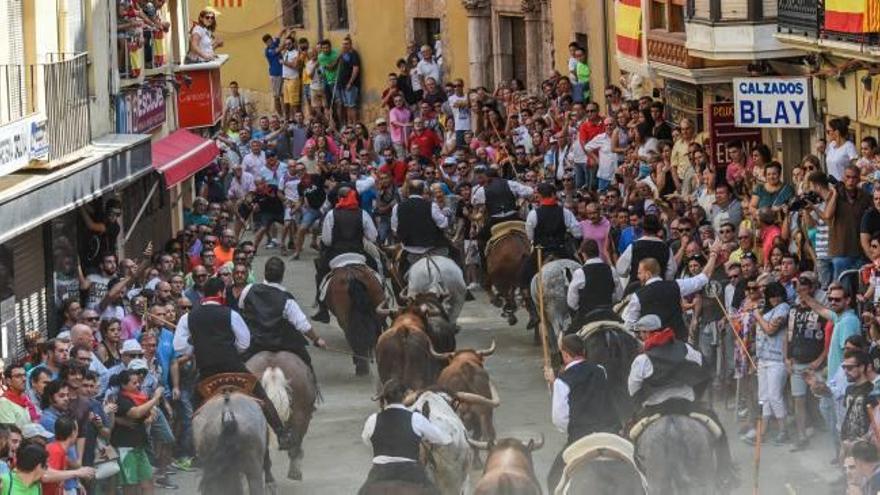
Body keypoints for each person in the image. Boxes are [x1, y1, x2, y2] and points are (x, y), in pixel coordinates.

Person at [172, 277, 296, 450]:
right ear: (221, 292)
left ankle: (193, 448)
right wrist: (229, 348)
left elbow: (180, 348)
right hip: (233, 367)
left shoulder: (187, 318)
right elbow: (244, 343)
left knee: (194, 406)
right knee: (262, 396)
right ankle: (281, 433)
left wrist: (196, 346)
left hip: (206, 372)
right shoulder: (230, 313)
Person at [627, 314, 735, 486]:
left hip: (654, 409)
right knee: (718, 430)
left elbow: (633, 390)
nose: (640, 338)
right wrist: (695, 394)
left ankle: (633, 483)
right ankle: (725, 474)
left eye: (640, 334)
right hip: (686, 405)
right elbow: (703, 369)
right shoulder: (686, 349)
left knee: (629, 439)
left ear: (647, 333)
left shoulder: (642, 360)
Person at [545, 334, 619, 490]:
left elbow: (560, 419)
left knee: (553, 478)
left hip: (580, 437)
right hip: (610, 433)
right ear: (584, 351)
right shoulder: (600, 370)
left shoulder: (562, 381)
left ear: (565, 354)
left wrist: (554, 383)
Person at [359, 378, 451, 495]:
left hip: (379, 472)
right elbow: (442, 439)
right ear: (405, 396)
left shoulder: (373, 419)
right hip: (410, 471)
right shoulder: (416, 418)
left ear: (385, 398)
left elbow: (367, 441)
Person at [239, 256, 327, 369]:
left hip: (255, 344)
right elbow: (303, 325)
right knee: (307, 365)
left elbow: (241, 308)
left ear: (265, 272)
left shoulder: (248, 290)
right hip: (282, 345)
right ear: (282, 276)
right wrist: (317, 339)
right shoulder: (287, 299)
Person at [622, 241, 721, 340]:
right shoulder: (676, 285)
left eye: (639, 273)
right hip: (678, 344)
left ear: (648, 274)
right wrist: (713, 255)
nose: (637, 276)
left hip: (653, 348)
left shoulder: (638, 295)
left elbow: (629, 326)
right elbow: (702, 278)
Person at [521, 182, 581, 312]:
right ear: (554, 194)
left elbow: (530, 236)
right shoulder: (565, 212)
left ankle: (532, 310)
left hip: (541, 252)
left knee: (524, 275)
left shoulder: (533, 214)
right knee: (581, 270)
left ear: (539, 196)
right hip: (561, 250)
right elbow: (577, 232)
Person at [785, 272, 827, 450]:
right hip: (797, 361)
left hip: (815, 361)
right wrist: (787, 357)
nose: (800, 292)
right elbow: (788, 335)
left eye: (804, 289)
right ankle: (801, 436)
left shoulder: (820, 310)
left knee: (823, 398)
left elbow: (828, 338)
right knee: (799, 400)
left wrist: (821, 358)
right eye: (798, 289)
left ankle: (828, 432)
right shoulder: (793, 310)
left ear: (812, 289)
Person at [567, 239, 623, 332]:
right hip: (608, 315)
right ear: (598, 252)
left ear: (584, 254)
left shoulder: (579, 273)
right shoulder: (611, 270)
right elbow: (619, 296)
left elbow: (572, 302)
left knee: (566, 340)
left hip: (586, 317)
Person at [392, 180, 450, 265]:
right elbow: (443, 224)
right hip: (433, 249)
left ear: (408, 191)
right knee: (455, 254)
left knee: (397, 272)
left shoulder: (397, 207)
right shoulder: (431, 206)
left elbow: (395, 230)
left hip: (408, 250)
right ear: (423, 191)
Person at [616, 214, 676, 284]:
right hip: (658, 288)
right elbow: (672, 270)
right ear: (658, 229)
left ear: (643, 229)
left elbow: (620, 269)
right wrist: (663, 280)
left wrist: (632, 274)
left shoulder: (634, 246)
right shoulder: (666, 248)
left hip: (637, 288)